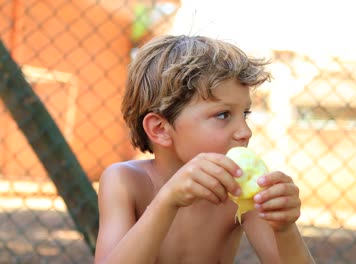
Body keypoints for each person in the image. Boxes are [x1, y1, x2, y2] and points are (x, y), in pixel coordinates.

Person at [94, 35, 315, 264]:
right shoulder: (124, 182)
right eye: (223, 115)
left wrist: (284, 228)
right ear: (160, 129)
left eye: (245, 114)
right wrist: (167, 200)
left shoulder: (240, 193)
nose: (245, 131)